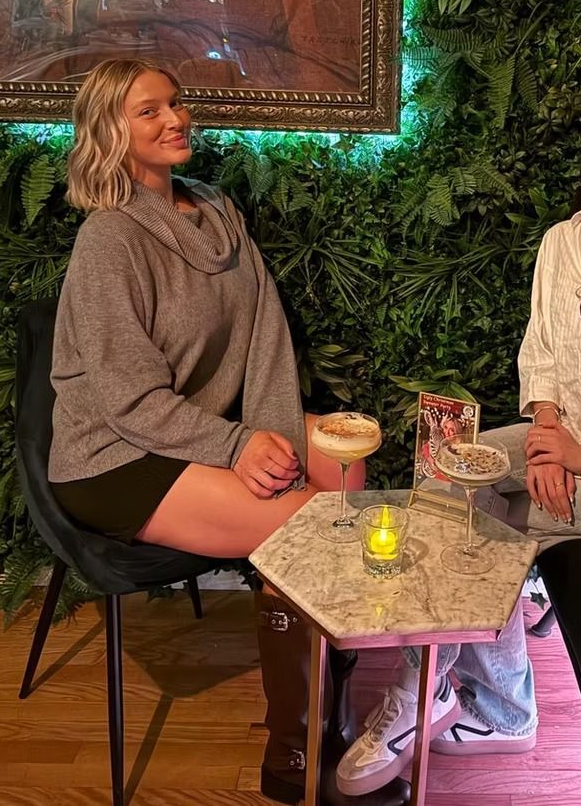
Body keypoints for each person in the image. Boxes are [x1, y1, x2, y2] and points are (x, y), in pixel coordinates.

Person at [335, 94, 581, 797]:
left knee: (484, 526)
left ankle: (452, 699)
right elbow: (541, 352)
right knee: (447, 474)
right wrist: (549, 436)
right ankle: (480, 697)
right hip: (562, 437)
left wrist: (580, 457)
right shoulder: (563, 239)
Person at [47, 57, 405, 806]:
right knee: (308, 524)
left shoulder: (214, 209)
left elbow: (266, 335)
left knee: (341, 464)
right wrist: (236, 446)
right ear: (110, 130)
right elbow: (125, 400)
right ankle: (295, 750)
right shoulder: (107, 241)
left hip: (197, 429)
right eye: (149, 110)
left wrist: (268, 429)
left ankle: (327, 700)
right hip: (116, 454)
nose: (175, 118)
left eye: (175, 103)